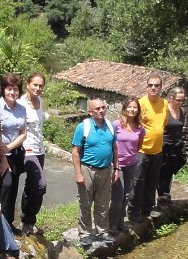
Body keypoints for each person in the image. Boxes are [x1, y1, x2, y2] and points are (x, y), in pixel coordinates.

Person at [71, 98, 118, 247]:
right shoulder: (83, 127)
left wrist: (116, 169)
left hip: (106, 170)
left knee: (103, 203)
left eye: (103, 108)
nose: (101, 111)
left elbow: (115, 149)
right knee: (85, 203)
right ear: (90, 111)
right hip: (88, 170)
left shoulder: (110, 126)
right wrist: (78, 173)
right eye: (97, 109)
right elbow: (75, 152)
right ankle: (84, 233)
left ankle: (102, 232)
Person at [129, 72, 169, 219]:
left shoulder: (164, 104)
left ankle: (147, 209)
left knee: (152, 181)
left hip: (157, 151)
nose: (153, 88)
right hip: (141, 150)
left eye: (156, 85)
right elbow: (132, 124)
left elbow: (163, 125)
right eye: (150, 85)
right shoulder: (140, 103)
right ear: (146, 87)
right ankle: (133, 212)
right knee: (138, 182)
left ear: (161, 87)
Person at [0, 74, 28, 230]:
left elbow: (23, 133)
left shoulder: (21, 109)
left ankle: (8, 223)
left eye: (15, 89)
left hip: (15, 153)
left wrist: (10, 147)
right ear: (3, 90)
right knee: (4, 187)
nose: (12, 92)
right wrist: (3, 154)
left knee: (13, 188)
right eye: (9, 89)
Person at [17, 73, 48, 235]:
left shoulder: (41, 102)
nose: (37, 88)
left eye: (41, 86)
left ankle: (28, 221)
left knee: (32, 184)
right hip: (27, 149)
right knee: (40, 184)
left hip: (40, 149)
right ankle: (27, 218)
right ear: (28, 84)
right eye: (35, 85)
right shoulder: (20, 103)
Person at [109, 98, 146, 235]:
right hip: (117, 165)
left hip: (131, 165)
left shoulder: (140, 128)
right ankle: (111, 224)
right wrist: (114, 165)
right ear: (124, 108)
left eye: (135, 107)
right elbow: (110, 144)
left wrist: (131, 156)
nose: (132, 109)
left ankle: (120, 223)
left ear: (138, 110)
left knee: (126, 195)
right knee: (118, 198)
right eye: (129, 107)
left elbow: (139, 145)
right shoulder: (116, 125)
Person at [158, 87, 187, 205]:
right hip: (164, 146)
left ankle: (166, 193)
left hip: (176, 147)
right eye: (178, 100)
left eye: (182, 100)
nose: (180, 103)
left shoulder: (183, 112)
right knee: (162, 171)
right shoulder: (164, 111)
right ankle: (161, 196)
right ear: (171, 98)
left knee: (170, 171)